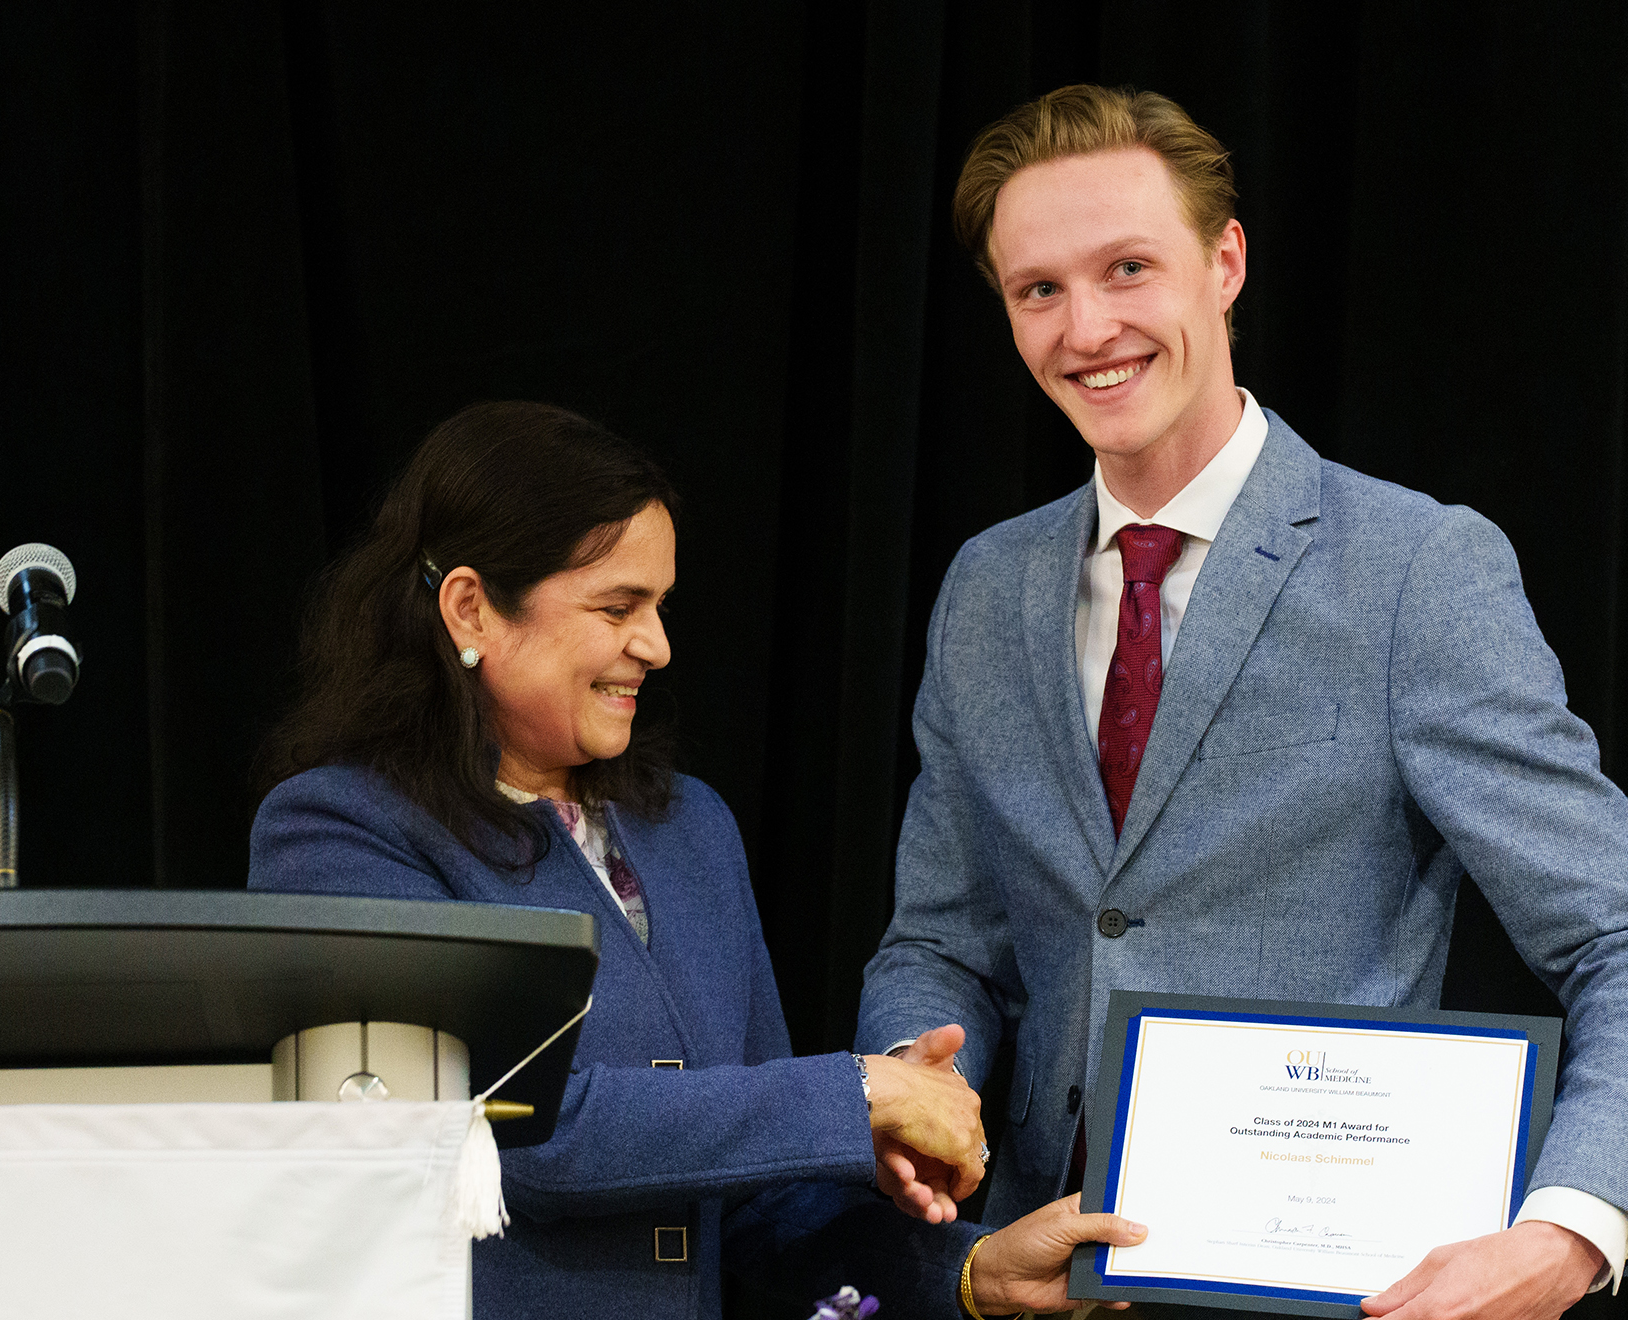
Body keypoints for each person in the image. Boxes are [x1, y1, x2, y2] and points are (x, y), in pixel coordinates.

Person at [856, 86, 1628, 1319]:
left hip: (1330, 1295)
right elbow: (940, 941)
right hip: (1037, 1280)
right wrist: (907, 1078)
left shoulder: (1416, 568)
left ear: (1225, 263)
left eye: (1127, 269)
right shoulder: (985, 588)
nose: (1085, 327)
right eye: (1036, 290)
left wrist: (1570, 1233)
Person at [247, 401, 1146, 1319]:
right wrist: (857, 1093)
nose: (659, 645)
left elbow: (759, 1204)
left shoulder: (691, 830)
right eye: (616, 607)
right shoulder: (337, 834)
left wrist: (972, 1270)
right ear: (471, 608)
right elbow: (501, 1131)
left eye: (661, 605)